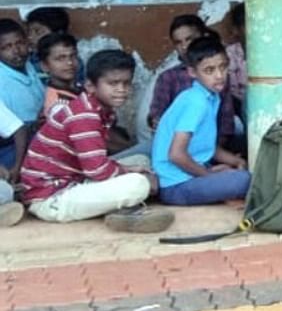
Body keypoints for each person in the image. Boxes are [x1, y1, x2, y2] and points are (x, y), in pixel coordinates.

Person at [20, 50, 173, 231]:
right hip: (51, 198)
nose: (121, 90)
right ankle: (120, 210)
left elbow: (95, 167)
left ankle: (117, 209)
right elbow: (97, 170)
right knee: (138, 184)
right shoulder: (85, 116)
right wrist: (130, 173)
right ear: (90, 86)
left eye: (126, 83)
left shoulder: (93, 106)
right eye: (113, 83)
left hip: (73, 179)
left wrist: (129, 169)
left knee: (141, 160)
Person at [152, 37, 251, 205]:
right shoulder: (196, 102)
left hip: (187, 177)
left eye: (223, 67)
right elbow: (176, 155)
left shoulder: (210, 97)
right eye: (209, 70)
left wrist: (237, 161)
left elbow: (207, 147)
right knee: (245, 180)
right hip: (176, 186)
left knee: (239, 170)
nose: (219, 75)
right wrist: (209, 174)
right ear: (192, 72)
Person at [145, 15, 239, 159]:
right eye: (178, 42)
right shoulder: (168, 78)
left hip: (213, 146)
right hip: (175, 147)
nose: (184, 46)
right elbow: (157, 117)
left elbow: (226, 122)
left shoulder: (219, 75)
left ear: (203, 36)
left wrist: (212, 153)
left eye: (189, 39)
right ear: (192, 72)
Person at [0, 18, 43, 169]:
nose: (16, 51)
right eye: (7, 47)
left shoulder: (29, 66)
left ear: (28, 42)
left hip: (35, 133)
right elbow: (17, 129)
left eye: (20, 43)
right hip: (10, 145)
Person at [38, 32, 80, 119]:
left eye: (73, 56)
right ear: (45, 66)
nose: (70, 62)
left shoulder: (78, 87)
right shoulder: (59, 106)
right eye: (60, 58)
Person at [225, 3, 248, 112]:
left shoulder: (275, 52)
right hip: (238, 106)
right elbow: (231, 90)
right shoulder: (229, 54)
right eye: (248, 26)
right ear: (236, 30)